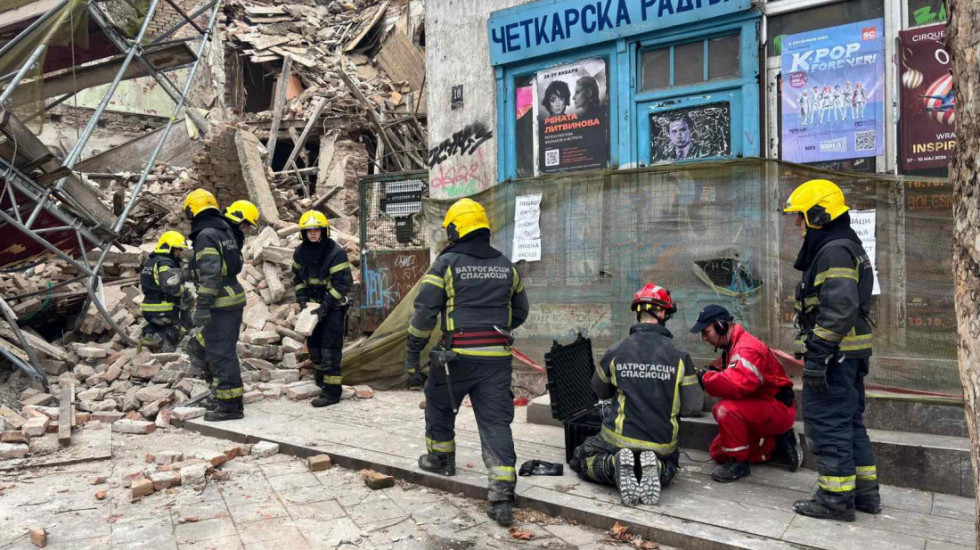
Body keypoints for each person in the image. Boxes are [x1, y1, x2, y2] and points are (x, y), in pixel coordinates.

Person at [404, 198, 529, 527]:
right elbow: (521, 311)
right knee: (495, 423)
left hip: (454, 359)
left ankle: (441, 459)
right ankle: (501, 494)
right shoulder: (506, 265)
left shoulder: (445, 265)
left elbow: (424, 313)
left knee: (440, 404)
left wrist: (412, 352)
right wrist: (494, 332)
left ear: (456, 229)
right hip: (496, 361)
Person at [784, 179, 880, 521]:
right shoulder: (846, 245)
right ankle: (865, 494)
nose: (797, 225)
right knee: (851, 423)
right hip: (849, 355)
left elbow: (839, 307)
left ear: (819, 215)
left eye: (801, 216)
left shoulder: (834, 249)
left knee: (828, 425)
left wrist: (819, 352)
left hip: (834, 356)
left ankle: (835, 499)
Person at [569, 284, 702, 506]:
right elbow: (692, 406)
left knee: (580, 457)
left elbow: (600, 390)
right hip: (662, 443)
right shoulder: (680, 355)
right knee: (672, 466)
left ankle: (613, 466)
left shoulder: (617, 350)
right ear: (662, 313)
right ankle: (658, 468)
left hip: (617, 439)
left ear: (638, 312)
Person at [690, 305, 801, 483]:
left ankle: (739, 464)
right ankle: (776, 444)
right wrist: (708, 370)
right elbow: (727, 366)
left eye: (706, 331)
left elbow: (734, 384)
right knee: (718, 453)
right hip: (760, 407)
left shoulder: (746, 349)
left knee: (725, 410)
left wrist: (704, 377)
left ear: (720, 326)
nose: (704, 338)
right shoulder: (733, 345)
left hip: (777, 407)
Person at [183, 189, 247, 422]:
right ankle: (220, 396)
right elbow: (216, 265)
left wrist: (202, 306)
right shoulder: (223, 230)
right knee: (206, 349)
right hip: (230, 299)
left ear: (191, 210)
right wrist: (183, 274)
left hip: (221, 303)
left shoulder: (206, 235)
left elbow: (211, 274)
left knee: (221, 354)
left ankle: (230, 406)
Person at [292, 210, 353, 408]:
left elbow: (343, 284)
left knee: (330, 349)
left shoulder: (335, 252)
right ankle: (321, 381)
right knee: (315, 348)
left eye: (316, 229)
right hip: (312, 307)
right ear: (303, 233)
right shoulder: (300, 252)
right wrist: (303, 301)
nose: (313, 233)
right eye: (308, 230)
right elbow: (298, 280)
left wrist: (326, 306)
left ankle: (332, 392)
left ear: (323, 230)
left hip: (333, 307)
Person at [139, 231, 189, 353]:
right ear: (169, 248)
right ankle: (163, 339)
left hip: (148, 308)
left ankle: (148, 336)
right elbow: (171, 287)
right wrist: (185, 293)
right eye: (177, 249)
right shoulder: (165, 262)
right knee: (181, 326)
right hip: (164, 308)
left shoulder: (151, 261)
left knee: (156, 324)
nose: (179, 253)